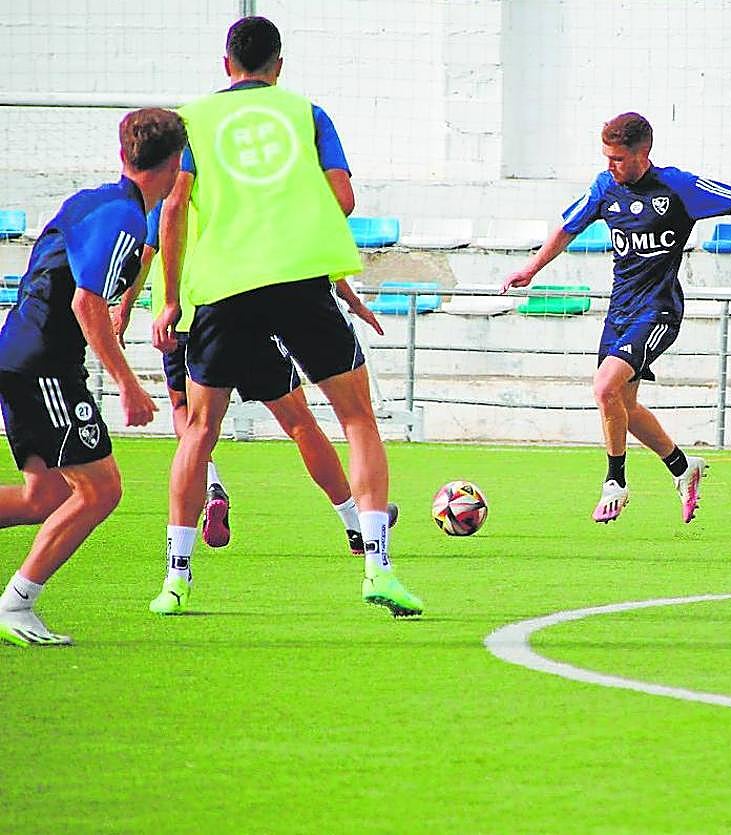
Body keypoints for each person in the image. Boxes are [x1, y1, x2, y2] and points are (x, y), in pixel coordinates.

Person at [149, 16, 422, 616]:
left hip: (222, 287)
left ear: (227, 65)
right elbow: (343, 199)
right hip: (298, 281)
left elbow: (171, 211)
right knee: (357, 420)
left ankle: (175, 579)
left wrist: (170, 298)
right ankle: (377, 565)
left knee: (198, 430)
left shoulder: (190, 118)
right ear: (279, 66)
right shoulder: (307, 113)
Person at [502, 112, 731, 524]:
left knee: (604, 387)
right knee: (622, 405)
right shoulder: (603, 187)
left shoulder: (677, 186)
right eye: (606, 157)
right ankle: (684, 468)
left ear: (642, 153)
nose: (610, 166)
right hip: (621, 311)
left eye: (618, 159)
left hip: (659, 309)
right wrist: (532, 269)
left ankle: (616, 483)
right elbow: (567, 229)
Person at [112, 202, 399, 556]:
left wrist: (124, 310)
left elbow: (147, 251)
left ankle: (208, 494)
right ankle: (354, 524)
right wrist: (344, 292)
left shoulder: (174, 187)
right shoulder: (233, 181)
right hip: (236, 310)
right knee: (300, 423)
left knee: (190, 418)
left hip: (180, 320)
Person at [0, 108, 186, 647]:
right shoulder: (126, 219)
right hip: (44, 365)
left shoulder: (93, 200)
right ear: (174, 163)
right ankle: (17, 604)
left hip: (23, 353)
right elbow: (86, 303)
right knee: (101, 490)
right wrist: (127, 384)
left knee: (44, 498)